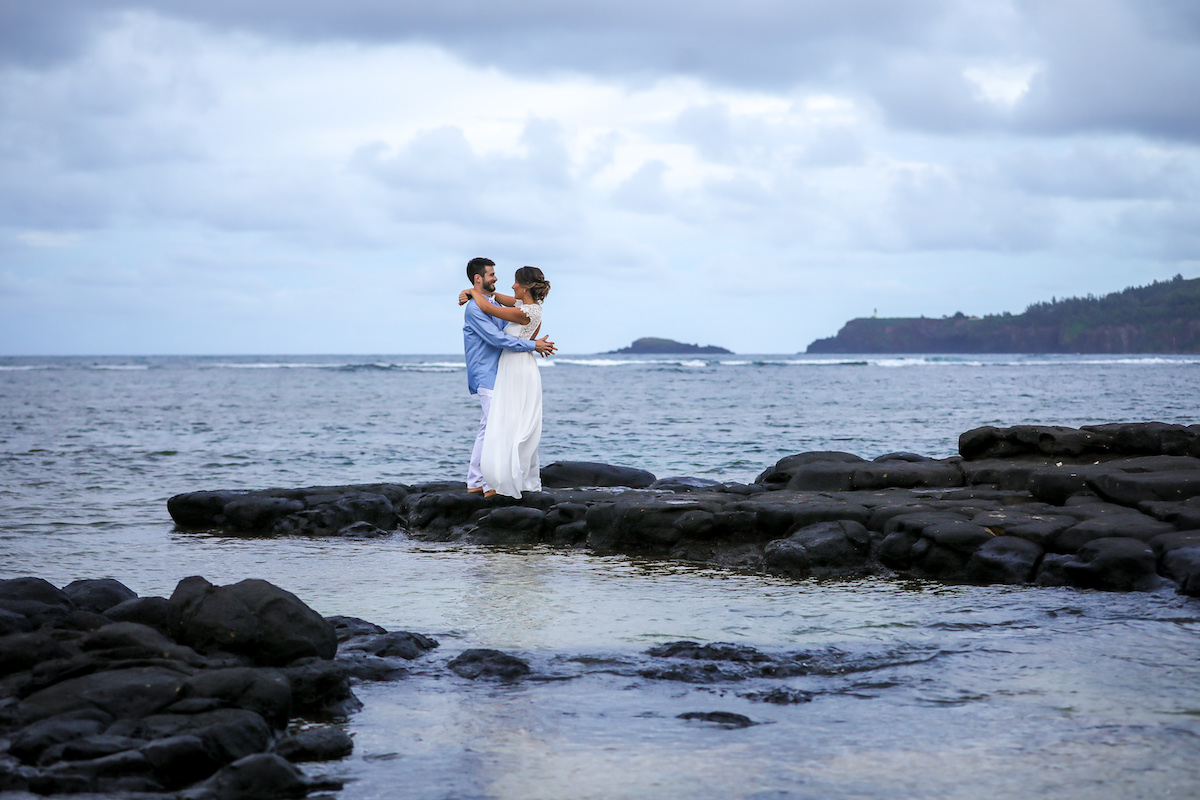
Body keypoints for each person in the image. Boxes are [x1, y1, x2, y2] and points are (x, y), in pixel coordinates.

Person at [460, 258, 555, 497]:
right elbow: (498, 338)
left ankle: (480, 480)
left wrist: (472, 292)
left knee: (494, 425)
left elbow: (499, 312)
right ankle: (486, 481)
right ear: (478, 278)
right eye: (492, 275)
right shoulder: (475, 308)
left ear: (525, 287)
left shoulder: (499, 305)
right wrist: (533, 344)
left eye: (514, 281)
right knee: (494, 425)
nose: (499, 280)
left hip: (506, 370)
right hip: (488, 372)